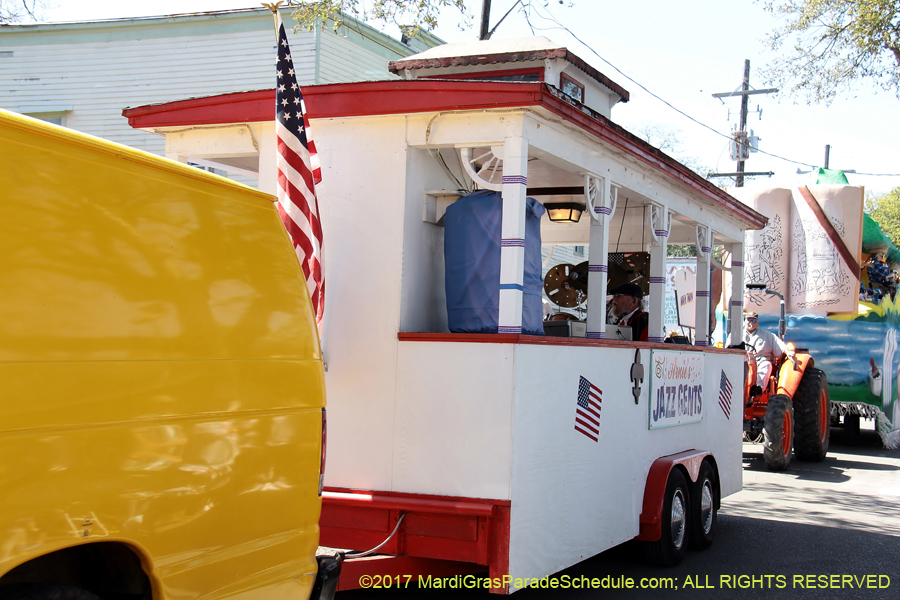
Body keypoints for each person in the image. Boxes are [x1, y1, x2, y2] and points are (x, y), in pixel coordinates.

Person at [728, 311, 788, 389]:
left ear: (757, 322)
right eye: (749, 320)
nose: (751, 322)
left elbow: (781, 346)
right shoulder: (735, 335)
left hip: (760, 361)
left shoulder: (768, 335)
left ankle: (757, 389)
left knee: (766, 365)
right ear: (745, 321)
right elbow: (728, 350)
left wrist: (787, 351)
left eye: (754, 320)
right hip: (741, 361)